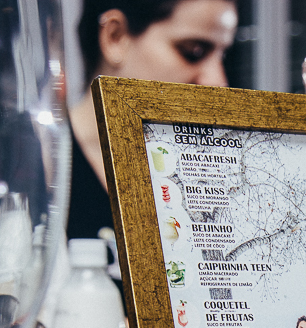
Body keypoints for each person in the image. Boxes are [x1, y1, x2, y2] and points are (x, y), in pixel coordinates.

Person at [68, 0, 237, 240]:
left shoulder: (206, 172)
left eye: (223, 56)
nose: (217, 81)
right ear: (115, 37)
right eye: (193, 51)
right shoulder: (38, 165)